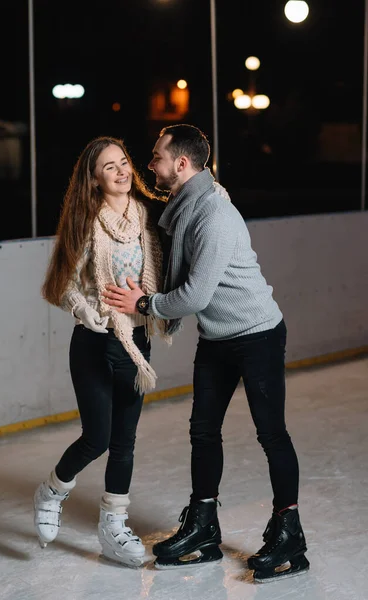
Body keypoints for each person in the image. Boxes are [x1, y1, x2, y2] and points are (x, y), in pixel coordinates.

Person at [102, 124, 309, 581]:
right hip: (219, 338)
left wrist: (144, 304)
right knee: (203, 431)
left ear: (181, 164)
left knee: (271, 433)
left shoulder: (212, 214)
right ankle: (203, 526)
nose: (149, 164)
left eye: (156, 157)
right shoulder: (183, 206)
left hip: (256, 333)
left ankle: (289, 533)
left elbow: (194, 296)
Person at [33, 136, 170, 567]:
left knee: (125, 440)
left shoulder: (147, 216)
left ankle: (114, 524)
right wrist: (83, 309)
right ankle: (52, 489)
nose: (121, 171)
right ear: (94, 179)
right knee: (98, 437)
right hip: (93, 340)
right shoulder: (86, 220)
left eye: (124, 162)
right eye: (109, 166)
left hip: (136, 339)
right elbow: (63, 283)